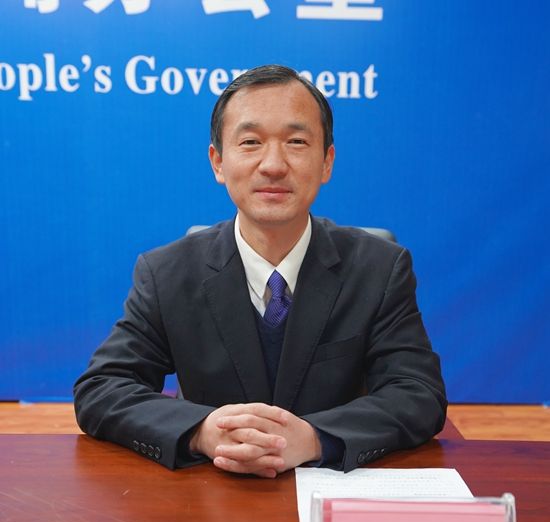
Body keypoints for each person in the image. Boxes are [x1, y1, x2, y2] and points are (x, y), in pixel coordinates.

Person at [74, 64, 446, 478]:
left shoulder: (379, 269)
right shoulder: (167, 273)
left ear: (327, 162)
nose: (273, 164)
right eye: (250, 142)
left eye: (296, 141)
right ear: (218, 162)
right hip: (211, 492)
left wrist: (315, 438)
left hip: (332, 488)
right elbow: (102, 388)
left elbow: (418, 394)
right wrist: (201, 431)